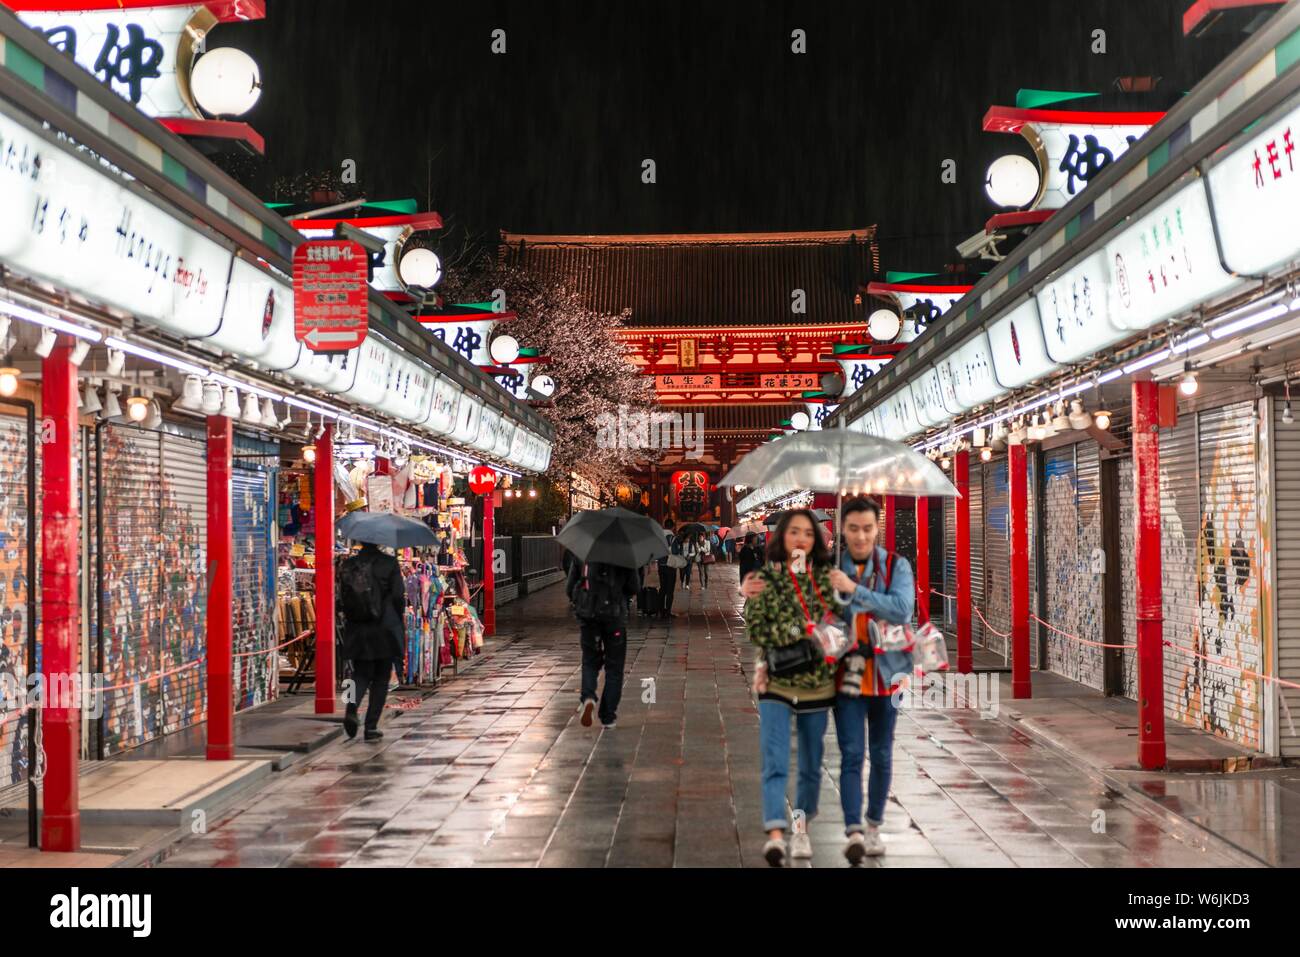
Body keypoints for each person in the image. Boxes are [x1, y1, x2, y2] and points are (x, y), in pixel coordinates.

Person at [742, 509, 838, 867]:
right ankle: (776, 834)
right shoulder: (764, 578)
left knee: (812, 765)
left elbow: (841, 626)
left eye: (807, 533)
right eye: (793, 532)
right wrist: (804, 632)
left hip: (816, 684)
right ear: (781, 538)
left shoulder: (827, 581)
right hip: (776, 682)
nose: (800, 539)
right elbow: (757, 629)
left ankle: (801, 829)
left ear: (816, 540)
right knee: (775, 760)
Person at [338, 541, 407, 742]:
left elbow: (343, 596)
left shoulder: (349, 564)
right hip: (384, 628)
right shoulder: (388, 563)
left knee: (360, 674)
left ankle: (351, 708)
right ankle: (371, 727)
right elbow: (397, 597)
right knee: (380, 679)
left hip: (358, 627)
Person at [566, 558, 639, 729]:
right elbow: (634, 587)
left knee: (590, 661)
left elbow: (569, 587)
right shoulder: (624, 554)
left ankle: (589, 697)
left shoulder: (583, 552)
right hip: (615, 617)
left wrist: (579, 599)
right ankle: (608, 716)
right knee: (614, 668)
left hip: (589, 616)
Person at [657, 520, 680, 618]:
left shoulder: (659, 536)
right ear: (673, 527)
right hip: (670, 566)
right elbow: (675, 551)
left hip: (661, 565)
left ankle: (661, 610)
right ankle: (668, 611)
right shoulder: (672, 538)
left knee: (662, 588)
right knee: (670, 590)